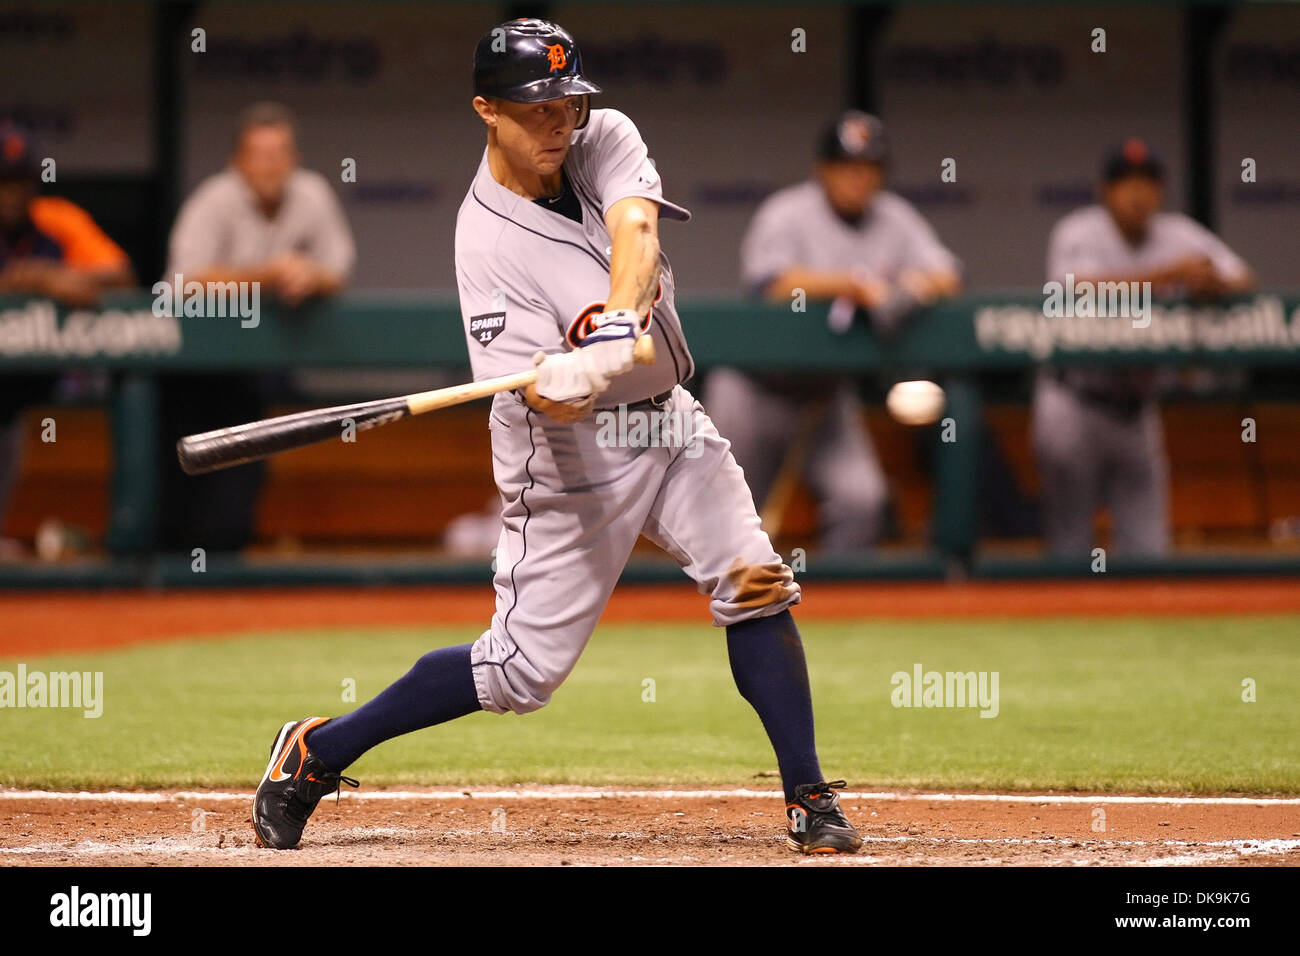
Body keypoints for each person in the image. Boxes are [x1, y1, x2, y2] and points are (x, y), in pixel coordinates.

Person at [251, 18, 862, 856]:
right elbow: (556, 406)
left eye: (566, 103)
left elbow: (636, 235)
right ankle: (317, 750)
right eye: (535, 108)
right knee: (516, 675)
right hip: (571, 454)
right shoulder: (486, 242)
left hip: (669, 421)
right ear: (485, 110)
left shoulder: (601, 134)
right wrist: (566, 388)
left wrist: (611, 334)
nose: (557, 123)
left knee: (754, 582)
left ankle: (808, 796)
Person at [705, 112, 961, 552]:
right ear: (822, 170)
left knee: (862, 500)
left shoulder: (895, 218)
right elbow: (772, 285)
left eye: (870, 167)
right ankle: (707, 611)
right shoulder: (786, 213)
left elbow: (948, 275)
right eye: (848, 167)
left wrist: (912, 285)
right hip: (754, 387)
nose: (860, 178)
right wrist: (853, 284)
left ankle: (833, 614)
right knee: (725, 514)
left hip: (824, 394)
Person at [1034, 139, 1254, 556]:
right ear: (1104, 190)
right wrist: (1170, 273)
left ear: (1161, 190)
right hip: (1074, 401)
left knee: (1149, 551)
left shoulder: (1179, 233)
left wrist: (1214, 283)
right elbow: (1075, 291)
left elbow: (1243, 277)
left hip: (1137, 409)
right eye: (1125, 182)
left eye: (1146, 182)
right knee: (1070, 549)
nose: (1137, 193)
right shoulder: (1079, 231)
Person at [161, 102, 355, 553]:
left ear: (294, 158)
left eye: (280, 152)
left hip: (255, 372)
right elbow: (182, 282)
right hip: (193, 371)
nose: (270, 164)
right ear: (238, 162)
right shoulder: (215, 199)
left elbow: (337, 268)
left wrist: (311, 275)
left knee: (240, 482)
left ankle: (219, 561)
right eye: (259, 154)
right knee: (182, 478)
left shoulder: (312, 193)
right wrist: (268, 274)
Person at [0, 120, 134, 556]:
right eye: (3, 182)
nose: (12, 194)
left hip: (35, 385)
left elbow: (121, 276)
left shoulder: (55, 220)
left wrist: (52, 276)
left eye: (20, 181)